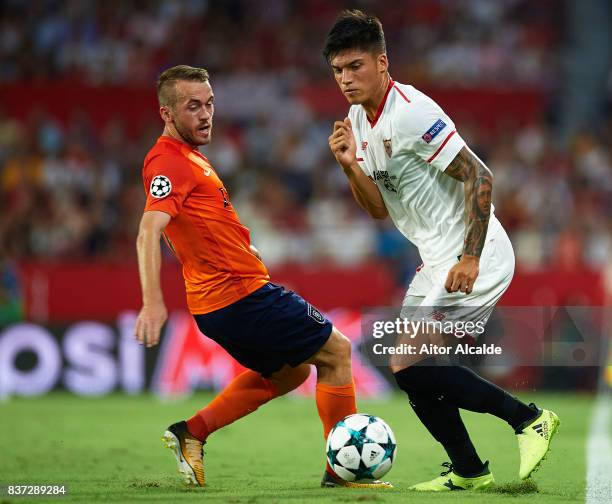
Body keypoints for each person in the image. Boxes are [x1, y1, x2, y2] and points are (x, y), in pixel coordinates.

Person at [324, 10, 560, 491]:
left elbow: (480, 176)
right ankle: (470, 470)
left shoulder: (412, 112)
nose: (346, 80)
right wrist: (350, 167)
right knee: (411, 372)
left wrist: (470, 257)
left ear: (382, 62)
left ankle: (529, 418)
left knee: (409, 364)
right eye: (338, 71)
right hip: (436, 261)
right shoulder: (356, 121)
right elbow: (376, 209)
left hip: (477, 252)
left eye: (355, 66)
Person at [134, 64, 390, 489]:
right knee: (337, 353)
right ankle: (344, 473)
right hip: (240, 296)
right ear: (166, 113)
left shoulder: (190, 159)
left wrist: (239, 247)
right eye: (193, 106)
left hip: (221, 303)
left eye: (210, 104)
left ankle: (191, 432)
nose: (205, 114)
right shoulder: (168, 162)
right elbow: (148, 231)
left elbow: (196, 227)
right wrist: (153, 301)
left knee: (291, 373)